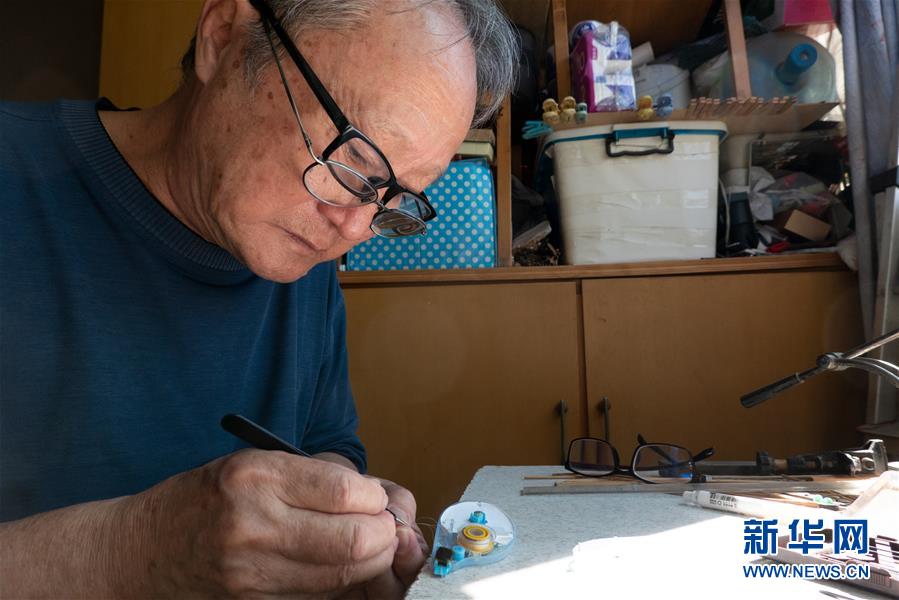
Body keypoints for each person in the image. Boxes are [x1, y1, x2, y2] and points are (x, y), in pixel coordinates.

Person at [0, 0, 517, 596]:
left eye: (395, 198)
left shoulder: (303, 257)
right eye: (353, 160)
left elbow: (324, 443)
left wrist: (333, 518)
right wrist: (140, 546)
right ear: (224, 36)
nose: (354, 229)